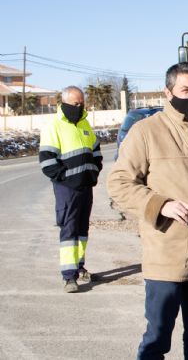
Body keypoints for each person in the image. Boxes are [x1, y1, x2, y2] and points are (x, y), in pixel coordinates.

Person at [107, 62, 188, 360]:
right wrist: (160, 204)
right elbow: (119, 183)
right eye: (186, 90)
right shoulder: (145, 132)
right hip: (166, 252)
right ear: (168, 92)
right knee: (157, 337)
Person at [39, 86, 102, 293]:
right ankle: (69, 277)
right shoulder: (54, 126)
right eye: (76, 103)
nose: (80, 106)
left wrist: (94, 172)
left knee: (83, 230)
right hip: (67, 189)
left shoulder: (84, 123)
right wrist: (65, 178)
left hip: (86, 187)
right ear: (64, 102)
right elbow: (47, 161)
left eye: (82, 103)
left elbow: (96, 150)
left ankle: (79, 265)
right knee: (69, 229)